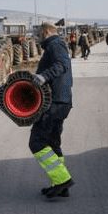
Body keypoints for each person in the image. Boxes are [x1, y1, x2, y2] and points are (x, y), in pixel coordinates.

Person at [30, 22, 75, 199]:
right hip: (61, 101)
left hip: (55, 102)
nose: (38, 38)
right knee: (53, 142)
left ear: (47, 32)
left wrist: (42, 76)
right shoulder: (55, 45)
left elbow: (62, 65)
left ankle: (63, 180)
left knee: (37, 142)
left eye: (39, 34)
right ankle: (59, 184)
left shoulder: (55, 44)